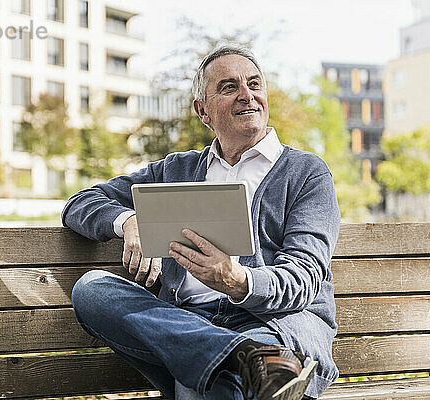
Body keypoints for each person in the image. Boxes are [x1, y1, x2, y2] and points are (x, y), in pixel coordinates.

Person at [63, 45, 340, 400]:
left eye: (255, 84)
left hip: (272, 327)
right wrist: (129, 220)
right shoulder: (176, 171)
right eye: (229, 87)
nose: (247, 96)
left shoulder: (305, 173)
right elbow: (79, 203)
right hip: (187, 323)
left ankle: (237, 357)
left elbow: (304, 277)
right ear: (202, 110)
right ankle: (240, 358)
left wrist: (238, 280)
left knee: (200, 380)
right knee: (92, 289)